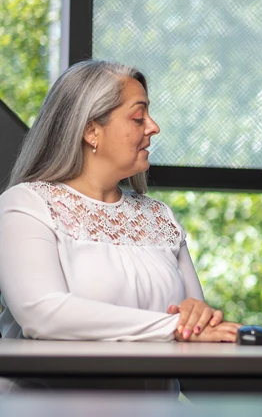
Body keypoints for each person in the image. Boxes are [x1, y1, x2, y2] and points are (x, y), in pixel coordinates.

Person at [0, 60, 239, 390]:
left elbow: (196, 322)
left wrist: (197, 318)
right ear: (91, 130)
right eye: (138, 117)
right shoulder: (26, 204)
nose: (153, 127)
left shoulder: (159, 217)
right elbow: (45, 315)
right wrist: (170, 327)